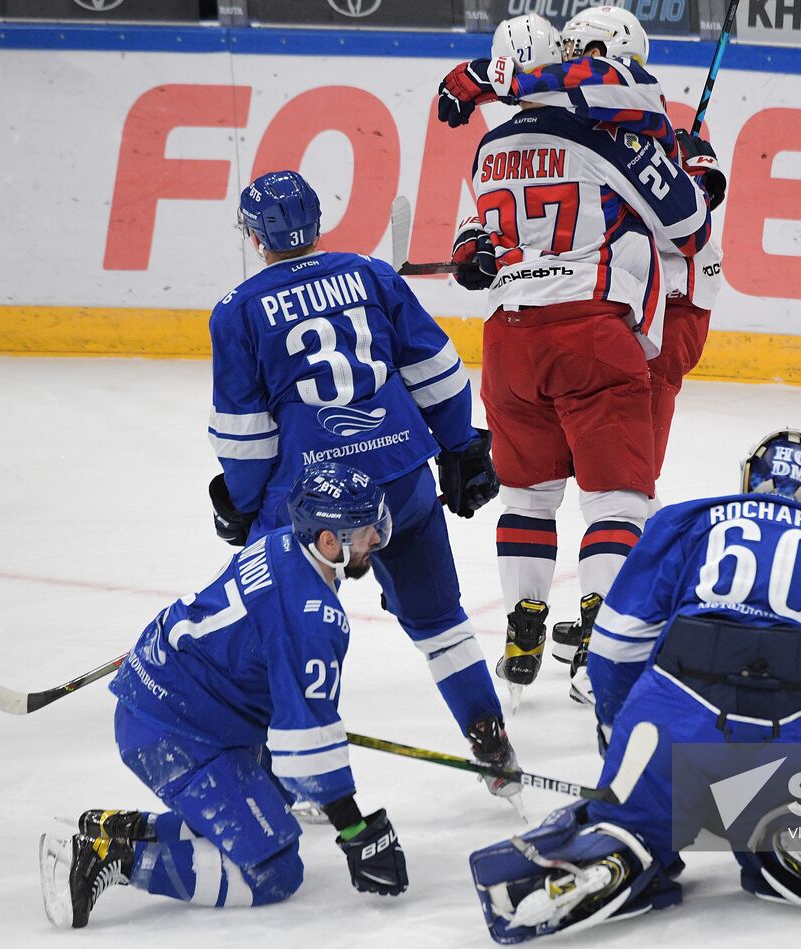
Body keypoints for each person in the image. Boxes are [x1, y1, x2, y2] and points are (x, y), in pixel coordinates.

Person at [468, 430, 801, 942]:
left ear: (749, 478)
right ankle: (791, 833)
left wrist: (619, 733)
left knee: (634, 818)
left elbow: (614, 648)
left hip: (677, 712)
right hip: (796, 728)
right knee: (783, 811)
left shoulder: (686, 521)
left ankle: (620, 844)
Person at [437, 7, 726, 698]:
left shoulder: (494, 147)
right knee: (619, 495)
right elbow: (688, 224)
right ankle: (607, 638)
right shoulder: (624, 134)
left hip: (511, 339)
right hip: (604, 327)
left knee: (530, 492)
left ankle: (523, 619)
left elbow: (486, 223)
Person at [206, 170, 517, 795]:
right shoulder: (372, 274)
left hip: (311, 500)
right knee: (441, 622)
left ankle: (289, 774)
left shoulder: (237, 310)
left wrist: (244, 507)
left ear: (251, 233)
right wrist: (459, 446)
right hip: (400, 475)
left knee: (284, 624)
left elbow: (245, 435)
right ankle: (492, 742)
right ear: (318, 221)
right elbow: (439, 370)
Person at [39, 463, 407, 929]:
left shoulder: (278, 543)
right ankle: (108, 855)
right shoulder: (312, 616)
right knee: (273, 870)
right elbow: (306, 748)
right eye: (365, 529)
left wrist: (297, 716)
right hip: (174, 730)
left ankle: (120, 828)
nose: (376, 538)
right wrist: (357, 830)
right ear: (329, 541)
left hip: (177, 699)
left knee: (271, 810)